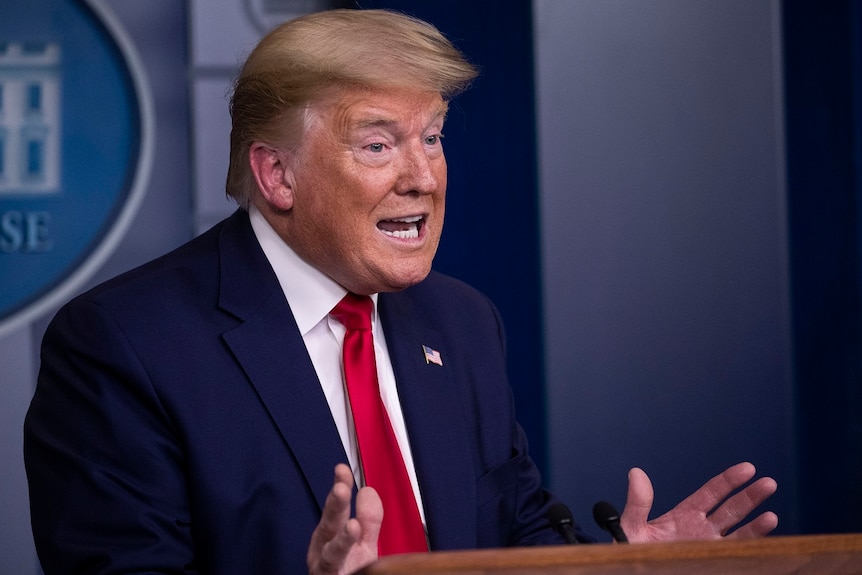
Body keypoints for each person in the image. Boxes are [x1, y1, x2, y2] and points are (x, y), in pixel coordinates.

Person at [23, 8, 778, 575]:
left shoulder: (461, 321)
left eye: (434, 137)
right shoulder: (123, 346)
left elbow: (515, 537)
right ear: (276, 175)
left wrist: (615, 566)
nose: (423, 175)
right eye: (379, 144)